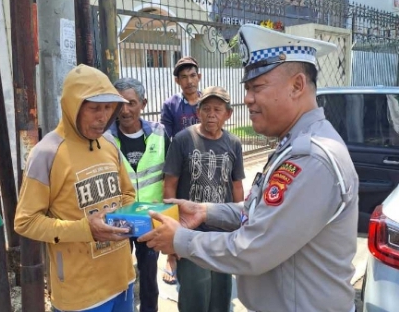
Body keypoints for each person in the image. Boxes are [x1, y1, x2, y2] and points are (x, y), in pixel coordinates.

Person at [139, 24, 359, 312]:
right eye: (247, 89)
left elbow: (252, 249)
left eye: (257, 88)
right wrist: (206, 211)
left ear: (296, 86)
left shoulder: (311, 157)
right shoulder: (294, 145)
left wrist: (181, 240)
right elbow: (261, 213)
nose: (247, 99)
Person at [14, 64, 136, 312]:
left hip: (122, 279)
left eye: (107, 108)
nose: (102, 117)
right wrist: (85, 229)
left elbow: (128, 194)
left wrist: (133, 218)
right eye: (94, 109)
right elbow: (25, 221)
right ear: (73, 107)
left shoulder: (109, 143)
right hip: (80, 295)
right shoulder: (47, 153)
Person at [161, 86, 245, 312]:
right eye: (206, 109)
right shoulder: (182, 140)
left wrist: (243, 225)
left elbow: (237, 186)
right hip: (190, 234)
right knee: (194, 296)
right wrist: (171, 232)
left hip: (223, 235)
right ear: (198, 112)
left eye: (218, 109)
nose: (211, 114)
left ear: (228, 114)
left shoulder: (234, 143)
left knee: (220, 295)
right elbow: (169, 185)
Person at [109, 77, 170, 312]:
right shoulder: (105, 139)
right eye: (119, 103)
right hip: (119, 219)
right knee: (118, 276)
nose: (125, 110)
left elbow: (171, 176)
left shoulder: (160, 134)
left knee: (148, 277)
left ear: (143, 103)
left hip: (149, 218)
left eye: (131, 103)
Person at [160, 56, 202, 284]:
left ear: (199, 76)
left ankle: (200, 250)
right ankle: (171, 257)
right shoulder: (171, 105)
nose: (189, 81)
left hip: (205, 165)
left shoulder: (208, 101)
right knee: (173, 209)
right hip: (179, 167)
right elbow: (167, 137)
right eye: (184, 77)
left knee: (201, 209)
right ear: (177, 81)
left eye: (192, 75)